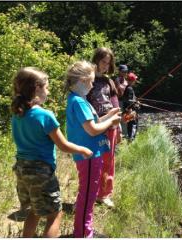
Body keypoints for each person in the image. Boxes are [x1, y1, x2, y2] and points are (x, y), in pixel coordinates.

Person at [11, 67, 93, 238]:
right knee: (55, 214)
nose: (48, 91)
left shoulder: (17, 115)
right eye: (46, 87)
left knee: (34, 210)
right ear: (36, 88)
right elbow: (63, 146)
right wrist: (83, 149)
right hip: (41, 172)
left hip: (21, 170)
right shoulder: (45, 116)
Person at [65, 60, 121, 238]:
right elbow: (93, 130)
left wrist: (109, 115)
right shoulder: (80, 102)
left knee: (89, 193)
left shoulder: (79, 100)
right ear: (81, 80)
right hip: (88, 156)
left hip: (89, 154)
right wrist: (111, 123)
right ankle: (82, 233)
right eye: (90, 81)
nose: (92, 84)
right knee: (88, 195)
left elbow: (94, 122)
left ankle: (85, 229)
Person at [87, 47, 119, 208]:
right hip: (94, 126)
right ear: (96, 60)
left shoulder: (109, 81)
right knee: (94, 160)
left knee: (109, 161)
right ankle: (91, 192)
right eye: (103, 62)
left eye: (108, 63)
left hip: (111, 126)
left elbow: (115, 104)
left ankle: (104, 194)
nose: (105, 65)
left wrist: (118, 125)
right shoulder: (88, 79)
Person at [122, 72, 140, 141]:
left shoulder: (129, 88)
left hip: (129, 112)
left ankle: (131, 139)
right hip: (130, 112)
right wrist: (135, 102)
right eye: (134, 80)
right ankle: (131, 141)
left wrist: (136, 100)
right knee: (133, 126)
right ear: (131, 81)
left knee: (131, 127)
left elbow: (129, 99)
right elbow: (128, 101)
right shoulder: (129, 89)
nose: (135, 81)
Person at [114, 64, 129, 138]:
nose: (125, 73)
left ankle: (125, 136)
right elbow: (119, 92)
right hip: (119, 102)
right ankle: (120, 137)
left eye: (126, 71)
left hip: (125, 103)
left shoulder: (126, 81)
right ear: (119, 71)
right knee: (120, 120)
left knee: (126, 119)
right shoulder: (117, 80)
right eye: (123, 71)